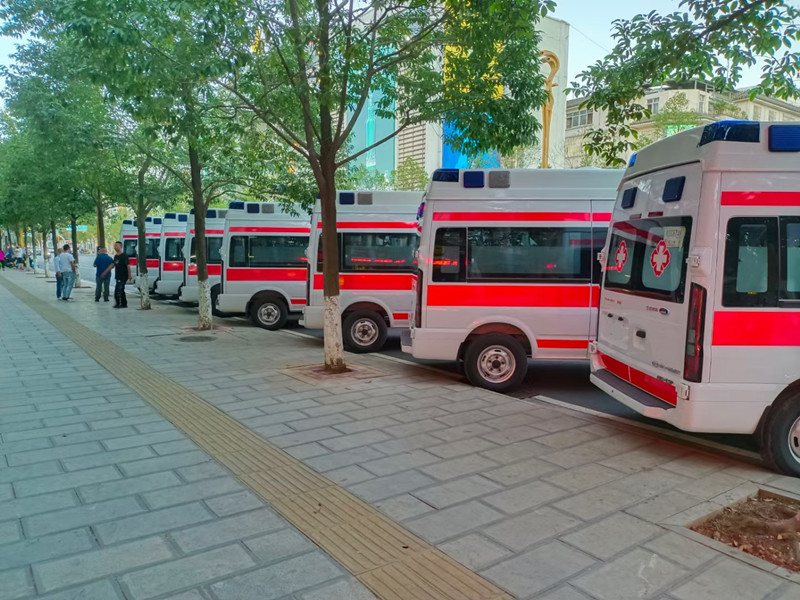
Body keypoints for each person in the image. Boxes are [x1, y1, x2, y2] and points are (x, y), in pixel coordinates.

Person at [103, 241, 131, 308]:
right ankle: (124, 304)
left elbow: (128, 266)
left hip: (123, 276)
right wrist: (106, 271)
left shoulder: (124, 256)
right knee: (121, 290)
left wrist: (129, 275)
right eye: (114, 245)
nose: (115, 247)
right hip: (118, 276)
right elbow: (113, 264)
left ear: (120, 247)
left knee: (118, 290)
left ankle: (119, 303)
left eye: (116, 246)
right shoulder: (116, 256)